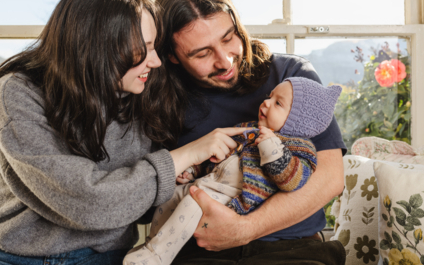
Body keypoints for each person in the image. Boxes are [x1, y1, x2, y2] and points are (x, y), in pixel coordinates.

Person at [0, 0, 246, 265]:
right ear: (97, 49)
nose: (155, 62)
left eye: (155, 47)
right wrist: (183, 157)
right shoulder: (16, 92)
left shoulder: (148, 93)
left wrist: (172, 179)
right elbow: (86, 203)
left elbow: (134, 208)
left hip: (103, 256)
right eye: (144, 49)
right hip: (9, 253)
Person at [141, 0, 348, 265]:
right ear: (172, 57)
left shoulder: (291, 79)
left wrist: (244, 230)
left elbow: (330, 178)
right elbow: (140, 200)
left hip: (292, 248)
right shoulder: (157, 98)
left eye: (228, 38)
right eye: (202, 53)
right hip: (197, 250)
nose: (225, 61)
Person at [124, 77, 342, 265]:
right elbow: (218, 154)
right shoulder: (249, 129)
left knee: (191, 206)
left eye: (278, 103)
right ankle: (151, 245)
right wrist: (194, 170)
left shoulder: (300, 149)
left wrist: (272, 147)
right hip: (208, 182)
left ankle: (158, 256)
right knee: (170, 198)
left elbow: (291, 180)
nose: (265, 103)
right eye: (270, 96)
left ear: (297, 121)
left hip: (232, 196)